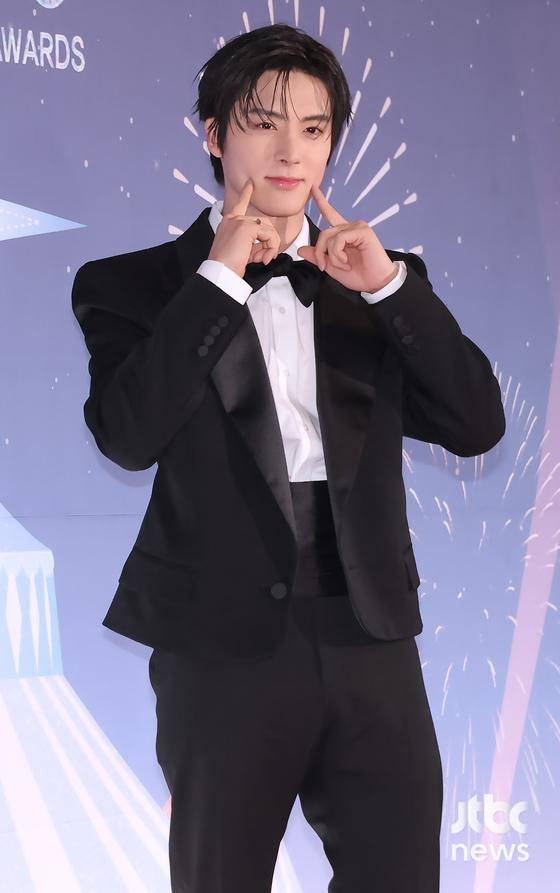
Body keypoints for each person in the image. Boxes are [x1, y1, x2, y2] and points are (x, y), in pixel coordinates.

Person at [71, 22, 506, 893]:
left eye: (313, 129)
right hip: (219, 642)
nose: (290, 151)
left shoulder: (374, 278)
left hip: (370, 634)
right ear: (213, 133)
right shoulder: (132, 285)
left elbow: (475, 422)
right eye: (264, 123)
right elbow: (127, 432)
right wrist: (219, 280)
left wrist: (388, 288)